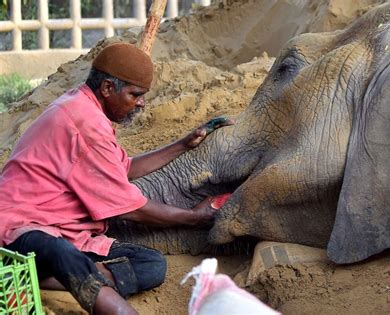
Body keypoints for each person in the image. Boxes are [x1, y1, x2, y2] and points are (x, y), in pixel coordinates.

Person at [0, 42, 233, 314]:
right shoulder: (84, 122)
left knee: (150, 264)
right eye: (135, 95)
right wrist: (194, 217)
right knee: (58, 252)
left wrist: (182, 144)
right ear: (108, 88)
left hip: (67, 234)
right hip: (20, 230)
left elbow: (125, 167)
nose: (142, 103)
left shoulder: (85, 108)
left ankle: (59, 275)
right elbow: (133, 209)